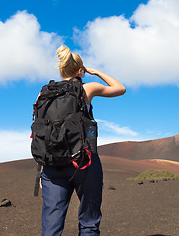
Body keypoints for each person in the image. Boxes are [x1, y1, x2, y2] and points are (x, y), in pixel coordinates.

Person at [40, 45, 126, 236]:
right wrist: (95, 72)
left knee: (51, 227)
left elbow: (43, 133)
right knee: (88, 223)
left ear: (61, 70)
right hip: (83, 162)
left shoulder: (44, 94)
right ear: (80, 70)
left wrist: (42, 169)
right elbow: (120, 89)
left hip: (52, 165)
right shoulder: (87, 88)